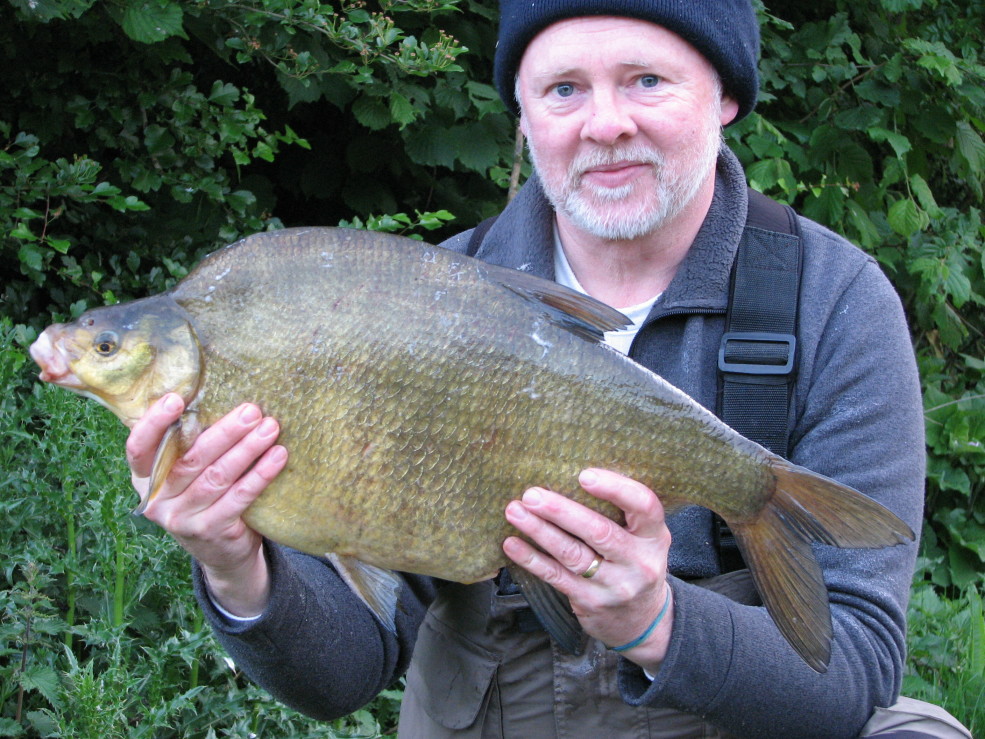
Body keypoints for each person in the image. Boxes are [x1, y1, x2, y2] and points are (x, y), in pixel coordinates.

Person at [124, 1, 972, 737]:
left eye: (646, 80)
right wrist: (234, 563)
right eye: (563, 89)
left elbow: (852, 673)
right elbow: (343, 675)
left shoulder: (832, 301)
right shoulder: (419, 303)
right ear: (524, 117)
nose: (604, 124)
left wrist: (657, 621)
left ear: (724, 96)